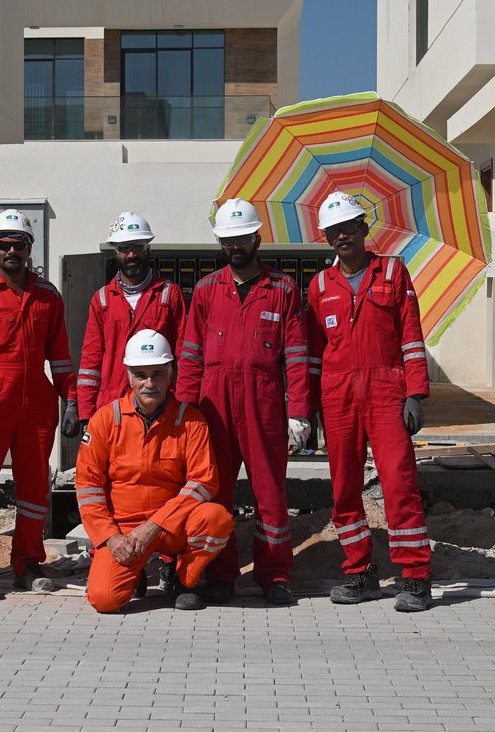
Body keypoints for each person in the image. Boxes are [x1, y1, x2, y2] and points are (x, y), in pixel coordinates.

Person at [176, 199, 315, 606]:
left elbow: (296, 357)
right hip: (213, 405)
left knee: (270, 494)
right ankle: (220, 574)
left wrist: (299, 413)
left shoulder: (283, 289)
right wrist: (184, 412)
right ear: (221, 243)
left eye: (242, 238)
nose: (235, 245)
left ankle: (274, 575)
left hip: (263, 403)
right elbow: (190, 356)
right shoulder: (205, 290)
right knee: (214, 493)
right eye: (227, 240)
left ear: (256, 237)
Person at [306, 191, 436, 613]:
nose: (343, 235)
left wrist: (415, 393)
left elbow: (411, 336)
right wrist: (308, 407)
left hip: (387, 392)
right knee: (344, 490)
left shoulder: (394, 273)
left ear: (364, 229)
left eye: (349, 227)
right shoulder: (319, 285)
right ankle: (360, 573)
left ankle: (414, 578)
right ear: (326, 238)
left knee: (399, 484)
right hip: (338, 397)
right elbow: (313, 352)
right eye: (334, 230)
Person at [0, 209, 75, 600]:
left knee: (36, 487)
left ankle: (28, 563)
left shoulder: (47, 296)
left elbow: (61, 358)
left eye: (18, 244)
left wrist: (71, 400)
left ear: (29, 248)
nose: (11, 250)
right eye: (3, 244)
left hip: (36, 405)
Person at [74, 329, 233, 613]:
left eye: (158, 374)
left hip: (172, 527)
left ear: (171, 374)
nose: (150, 383)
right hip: (123, 531)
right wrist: (110, 538)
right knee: (105, 600)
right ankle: (135, 572)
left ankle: (182, 579)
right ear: (129, 377)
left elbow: (204, 481)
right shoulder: (105, 420)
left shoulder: (191, 421)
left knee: (216, 518)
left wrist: (155, 524)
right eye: (141, 375)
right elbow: (88, 488)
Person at [70, 212, 186, 435]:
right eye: (124, 248)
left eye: (138, 247)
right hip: (111, 405)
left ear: (148, 249)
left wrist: (183, 403)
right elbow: (90, 361)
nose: (131, 254)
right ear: (116, 253)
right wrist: (85, 411)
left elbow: (182, 356)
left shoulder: (169, 295)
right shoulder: (102, 299)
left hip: (157, 402)